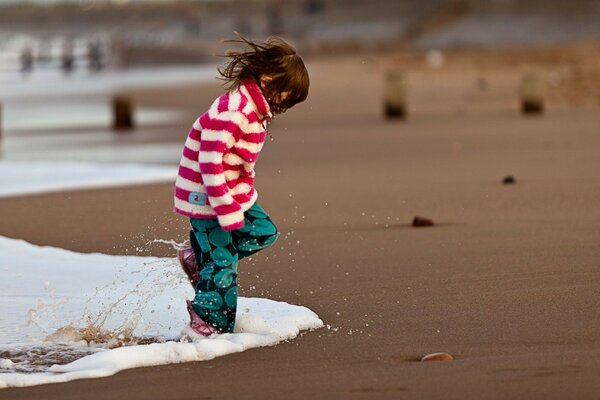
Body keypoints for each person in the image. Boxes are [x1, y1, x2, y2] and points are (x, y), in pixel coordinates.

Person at [174, 35, 309, 336]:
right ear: (269, 79)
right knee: (223, 266)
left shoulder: (253, 109)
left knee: (264, 232)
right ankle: (207, 321)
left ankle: (199, 258)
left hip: (233, 194)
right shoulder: (234, 111)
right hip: (208, 198)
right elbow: (209, 160)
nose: (287, 104)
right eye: (287, 95)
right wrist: (224, 208)